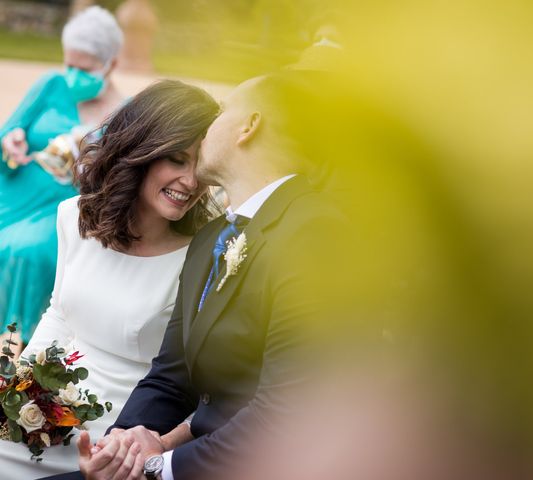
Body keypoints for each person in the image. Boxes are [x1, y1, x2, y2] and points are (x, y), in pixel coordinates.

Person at [43, 72, 346, 480]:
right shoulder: (213, 239)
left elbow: (286, 412)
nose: (206, 130)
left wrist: (158, 464)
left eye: (221, 113)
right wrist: (121, 447)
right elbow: (172, 376)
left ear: (248, 126)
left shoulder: (315, 232)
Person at [0, 80, 219, 479]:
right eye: (176, 159)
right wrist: (17, 393)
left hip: (123, 431)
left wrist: (151, 443)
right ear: (140, 150)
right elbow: (59, 315)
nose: (190, 182)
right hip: (47, 407)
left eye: (199, 165)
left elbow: (193, 379)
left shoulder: (202, 256)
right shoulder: (73, 216)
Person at [0, 6, 125, 347]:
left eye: (82, 69)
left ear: (110, 64)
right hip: (13, 187)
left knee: (25, 251)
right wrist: (12, 140)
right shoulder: (50, 84)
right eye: (68, 64)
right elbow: (11, 129)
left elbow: (112, 181)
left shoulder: (123, 113)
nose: (71, 74)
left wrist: (83, 157)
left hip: (62, 203)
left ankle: (14, 345)